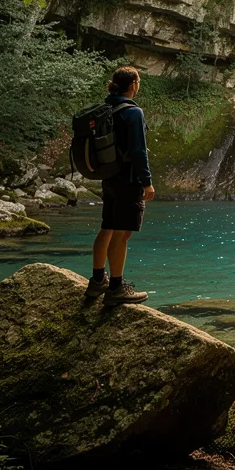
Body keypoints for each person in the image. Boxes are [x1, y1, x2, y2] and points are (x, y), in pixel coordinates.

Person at [84, 66, 154, 305]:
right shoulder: (133, 112)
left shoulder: (106, 109)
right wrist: (147, 182)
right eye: (138, 81)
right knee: (122, 234)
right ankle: (116, 287)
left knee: (108, 227)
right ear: (133, 84)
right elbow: (138, 151)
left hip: (110, 177)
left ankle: (97, 280)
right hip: (129, 179)